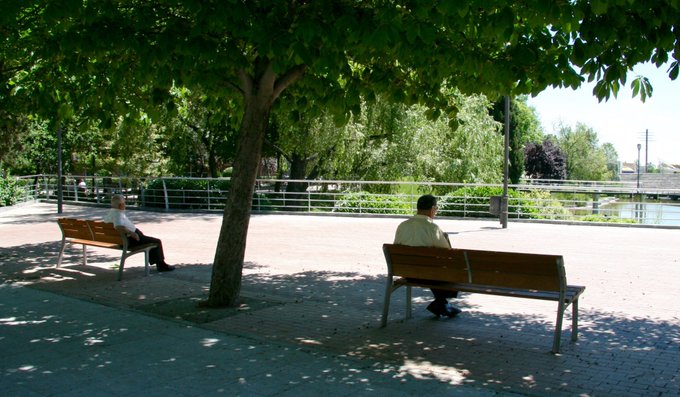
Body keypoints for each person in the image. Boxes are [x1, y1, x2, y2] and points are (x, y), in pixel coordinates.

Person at [394, 194, 461, 318]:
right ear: (432, 209)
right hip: (427, 274)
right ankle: (441, 304)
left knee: (429, 269)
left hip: (406, 272)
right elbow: (447, 253)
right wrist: (446, 238)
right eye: (436, 209)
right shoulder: (432, 228)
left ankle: (441, 304)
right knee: (446, 269)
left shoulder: (402, 226)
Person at [104, 194, 175, 272]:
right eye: (124, 203)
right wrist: (133, 233)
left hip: (121, 239)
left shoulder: (111, 213)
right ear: (121, 205)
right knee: (156, 241)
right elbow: (118, 226)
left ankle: (159, 264)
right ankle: (162, 266)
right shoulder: (118, 214)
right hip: (130, 240)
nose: (125, 205)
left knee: (149, 240)